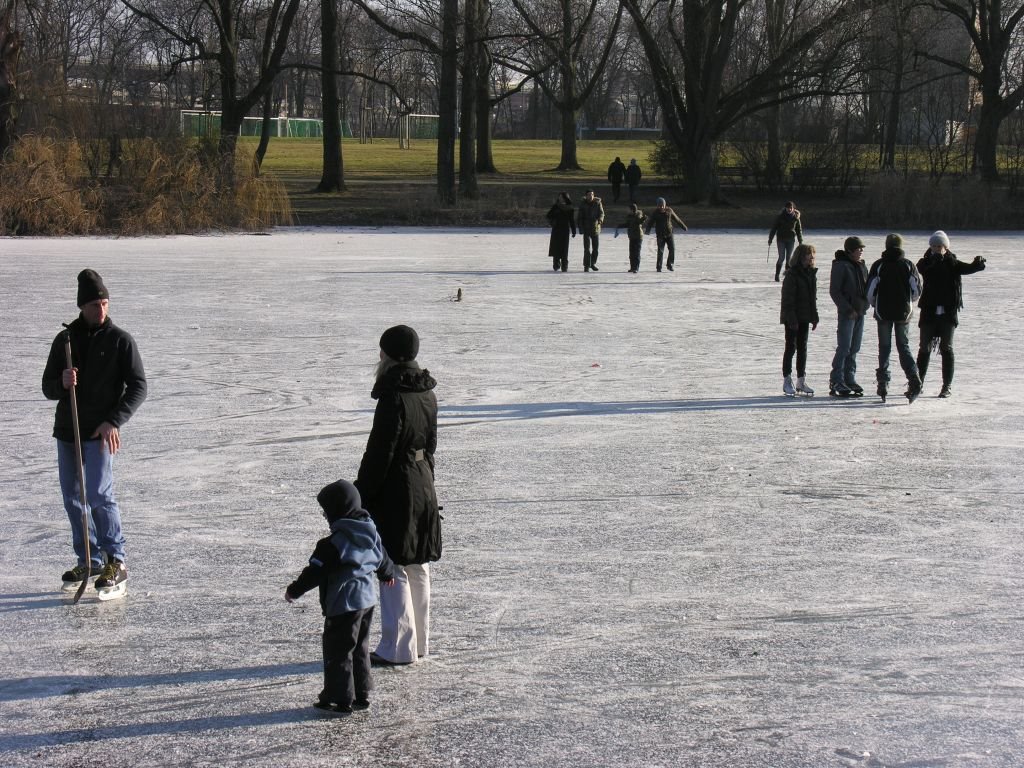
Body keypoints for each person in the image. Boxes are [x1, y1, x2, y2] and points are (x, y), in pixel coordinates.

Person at [42, 269, 147, 595]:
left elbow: (138, 387)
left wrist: (114, 420)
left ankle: (117, 560)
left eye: (104, 303)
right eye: (94, 305)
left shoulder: (120, 340)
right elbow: (47, 387)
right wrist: (62, 383)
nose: (101, 310)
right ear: (82, 307)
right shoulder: (65, 341)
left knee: (100, 495)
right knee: (74, 498)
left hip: (101, 433)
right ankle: (90, 559)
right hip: (68, 430)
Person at [355, 325, 441, 666]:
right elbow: (431, 444)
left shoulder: (393, 394)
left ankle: (398, 647)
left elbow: (380, 453)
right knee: (416, 563)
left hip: (398, 486)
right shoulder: (427, 392)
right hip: (423, 481)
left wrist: (360, 495)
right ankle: (419, 643)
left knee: (393, 564)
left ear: (387, 355)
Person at [285, 479, 395, 716]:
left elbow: (314, 572)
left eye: (326, 511)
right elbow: (382, 556)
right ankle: (361, 693)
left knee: (338, 651)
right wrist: (388, 574)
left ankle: (339, 699)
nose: (324, 516)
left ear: (337, 511)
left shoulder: (334, 543)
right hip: (366, 602)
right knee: (359, 648)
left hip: (343, 604)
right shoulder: (370, 530)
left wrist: (294, 590)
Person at [915, 230, 987, 398]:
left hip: (948, 313)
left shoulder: (952, 263)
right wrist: (935, 261)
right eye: (933, 246)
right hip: (929, 312)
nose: (936, 249)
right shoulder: (924, 263)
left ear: (946, 247)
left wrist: (978, 264)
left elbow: (968, 268)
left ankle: (946, 386)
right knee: (924, 347)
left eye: (940, 246)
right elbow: (926, 270)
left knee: (946, 348)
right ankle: (918, 383)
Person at [866, 233, 923, 403]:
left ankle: (883, 382)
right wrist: (909, 303)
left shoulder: (879, 265)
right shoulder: (908, 265)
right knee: (903, 345)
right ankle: (914, 378)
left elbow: (870, 290)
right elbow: (916, 290)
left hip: (883, 312)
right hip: (903, 313)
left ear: (886, 246)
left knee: (884, 347)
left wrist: (875, 304)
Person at [828, 236, 869, 397]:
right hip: (847, 313)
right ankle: (836, 378)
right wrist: (847, 309)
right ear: (850, 250)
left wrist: (865, 305)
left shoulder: (861, 266)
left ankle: (849, 377)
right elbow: (835, 291)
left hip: (860, 312)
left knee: (855, 347)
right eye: (859, 249)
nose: (861, 251)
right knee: (844, 347)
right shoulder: (841, 266)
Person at [779, 243, 819, 396]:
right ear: (801, 256)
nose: (812, 257)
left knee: (803, 348)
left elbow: (812, 299)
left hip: (805, 316)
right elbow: (787, 299)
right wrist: (791, 319)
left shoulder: (810, 273)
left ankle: (801, 380)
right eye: (809, 254)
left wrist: (814, 317)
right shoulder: (792, 274)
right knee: (791, 347)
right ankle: (787, 379)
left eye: (813, 254)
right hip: (793, 317)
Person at [643, 197, 688, 272]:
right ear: (657, 206)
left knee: (672, 249)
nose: (661, 207)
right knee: (660, 251)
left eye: (662, 205)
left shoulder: (669, 210)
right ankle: (659, 267)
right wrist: (647, 230)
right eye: (659, 206)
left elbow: (677, 219)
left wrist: (684, 227)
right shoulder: (655, 213)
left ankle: (670, 264)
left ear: (665, 205)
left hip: (669, 234)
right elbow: (650, 222)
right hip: (660, 235)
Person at [768, 201, 803, 282]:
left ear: (793, 208)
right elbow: (774, 228)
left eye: (791, 208)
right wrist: (770, 239)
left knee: (788, 259)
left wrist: (800, 240)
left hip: (791, 239)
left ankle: (787, 276)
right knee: (781, 257)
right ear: (785, 208)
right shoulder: (780, 217)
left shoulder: (796, 217)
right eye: (788, 208)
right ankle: (777, 275)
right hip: (781, 239)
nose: (789, 209)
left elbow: (798, 230)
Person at [546, 192, 576, 272]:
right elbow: (548, 216)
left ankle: (564, 265)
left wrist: (574, 230)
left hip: (565, 230)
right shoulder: (555, 206)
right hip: (556, 229)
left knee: (564, 248)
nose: (560, 199)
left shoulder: (570, 208)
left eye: (562, 197)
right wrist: (553, 220)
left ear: (566, 198)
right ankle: (556, 264)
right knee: (556, 247)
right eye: (559, 197)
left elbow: (571, 220)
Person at [578, 189, 605, 272]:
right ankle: (586, 265)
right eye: (589, 194)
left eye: (592, 194)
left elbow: (601, 213)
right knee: (587, 249)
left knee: (595, 248)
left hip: (595, 228)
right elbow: (580, 217)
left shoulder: (598, 203)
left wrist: (600, 220)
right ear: (586, 196)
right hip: (586, 229)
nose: (591, 196)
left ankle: (592, 263)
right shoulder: (583, 204)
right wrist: (580, 227)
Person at [615, 203, 647, 273]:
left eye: (628, 209)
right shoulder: (629, 216)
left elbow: (639, 222)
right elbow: (627, 224)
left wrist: (643, 219)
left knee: (636, 253)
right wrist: (619, 226)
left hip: (638, 237)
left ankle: (636, 268)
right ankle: (632, 267)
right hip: (632, 236)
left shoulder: (638, 216)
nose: (627, 210)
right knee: (631, 253)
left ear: (632, 210)